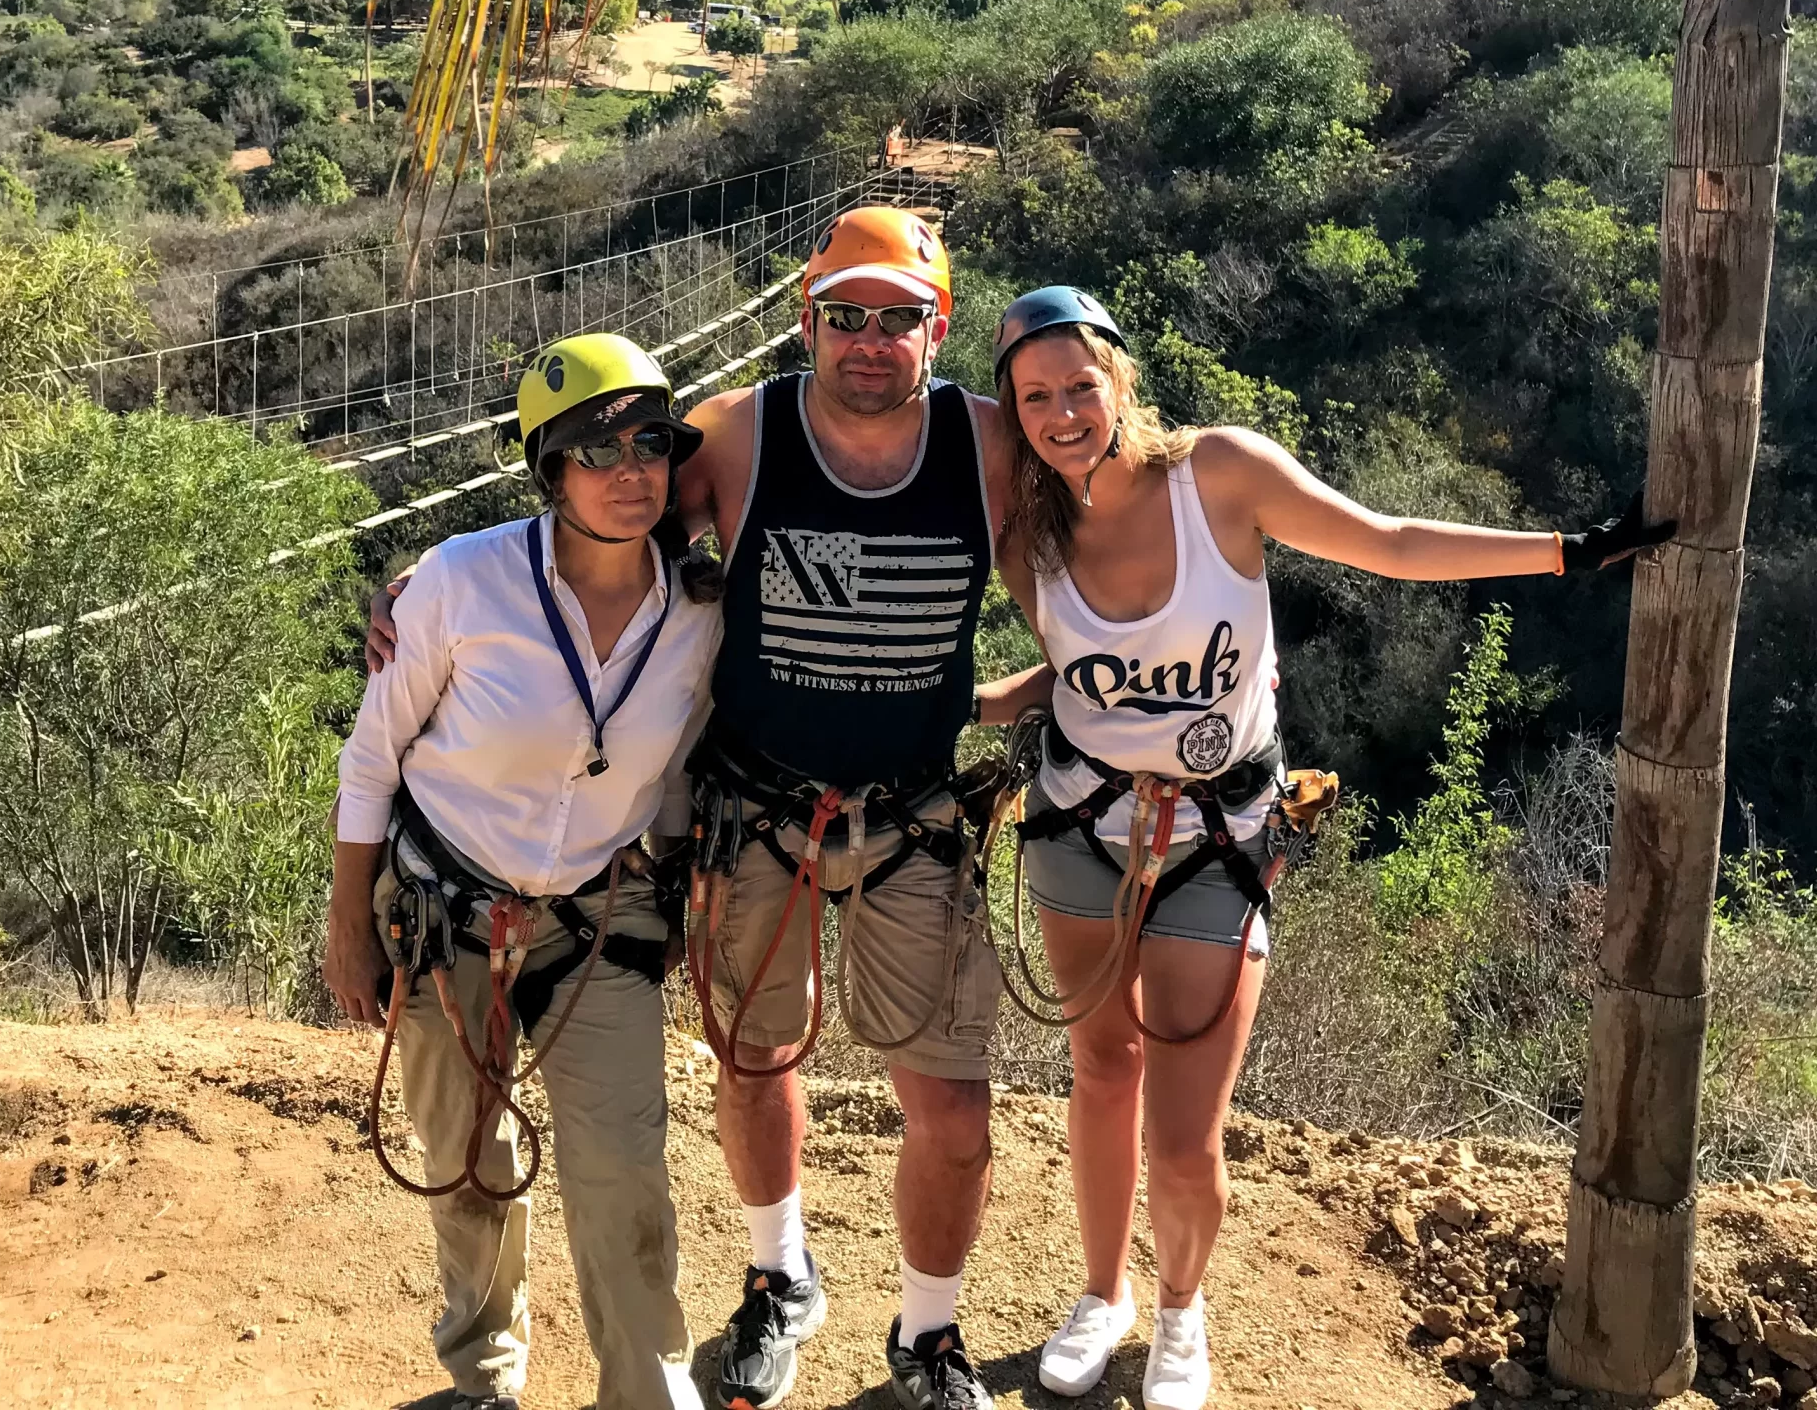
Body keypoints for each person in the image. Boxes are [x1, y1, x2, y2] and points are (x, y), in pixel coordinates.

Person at [971, 287, 1670, 1410]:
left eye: (1078, 386)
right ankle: (1101, 1295)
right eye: (1034, 397)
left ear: (1121, 380)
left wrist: (1572, 552)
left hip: (1216, 835)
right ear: (1011, 410)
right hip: (1076, 825)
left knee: (1189, 1133)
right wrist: (966, 701)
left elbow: (1385, 544)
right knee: (1101, 1076)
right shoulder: (1026, 524)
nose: (1060, 414)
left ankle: (1181, 1312)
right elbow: (1076, 669)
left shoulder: (1219, 478)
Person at [368, 206, 1016, 1410]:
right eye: (843, 315)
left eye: (898, 318)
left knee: (949, 1099)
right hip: (753, 807)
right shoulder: (736, 433)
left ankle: (927, 1337)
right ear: (806, 319)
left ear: (940, 326)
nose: (868, 339)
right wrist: (429, 577)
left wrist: (1166, 698)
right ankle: (779, 1279)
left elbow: (1107, 526)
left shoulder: (990, 448)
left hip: (913, 809)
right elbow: (593, 506)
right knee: (752, 1056)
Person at [329, 334, 723, 1410]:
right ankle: (484, 1374)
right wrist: (348, 929)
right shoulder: (462, 583)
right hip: (444, 908)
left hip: (596, 918)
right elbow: (372, 762)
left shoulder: (698, 608)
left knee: (624, 1168)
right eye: (601, 450)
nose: (633, 469)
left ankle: (647, 1391)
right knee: (464, 1160)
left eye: (653, 443)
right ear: (550, 469)